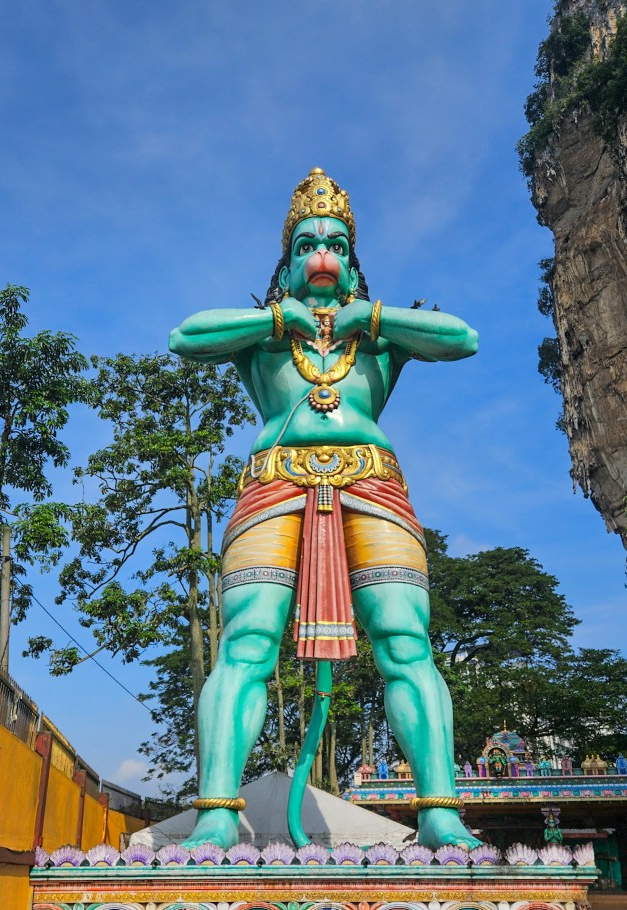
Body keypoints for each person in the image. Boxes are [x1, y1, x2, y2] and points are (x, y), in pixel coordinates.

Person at [170, 169, 478, 850]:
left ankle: (439, 811)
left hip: (372, 484)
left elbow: (462, 338)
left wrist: (372, 317)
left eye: (336, 245)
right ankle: (217, 812)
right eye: (305, 245)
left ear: (353, 270)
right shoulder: (264, 338)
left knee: (404, 640)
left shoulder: (379, 339)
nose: (321, 255)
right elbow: (185, 337)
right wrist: (278, 318)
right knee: (247, 642)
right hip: (273, 484)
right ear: (284, 269)